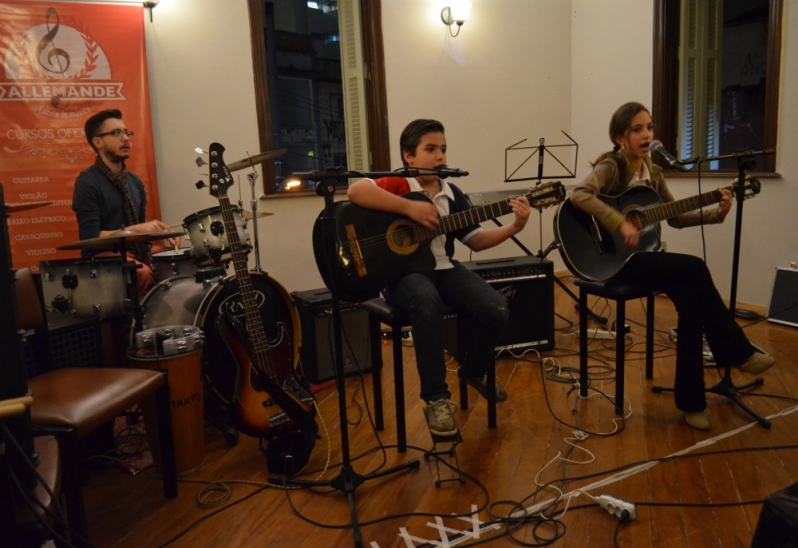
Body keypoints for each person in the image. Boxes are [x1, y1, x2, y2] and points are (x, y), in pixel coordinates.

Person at [570, 101, 775, 431]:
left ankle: (692, 403)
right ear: (621, 137)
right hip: (614, 260)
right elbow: (580, 195)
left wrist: (716, 212)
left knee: (692, 305)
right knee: (694, 266)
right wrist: (618, 222)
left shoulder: (655, 172)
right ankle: (738, 351)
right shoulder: (611, 166)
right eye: (637, 129)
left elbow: (676, 217)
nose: (646, 134)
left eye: (649, 127)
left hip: (643, 258)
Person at [347, 119, 532, 437]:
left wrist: (515, 226)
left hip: (445, 269)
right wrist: (409, 208)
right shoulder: (398, 184)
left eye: (443, 149)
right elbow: (355, 190)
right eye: (430, 149)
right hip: (403, 276)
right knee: (426, 300)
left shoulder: (452, 192)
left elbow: (475, 239)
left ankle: (473, 372)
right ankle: (436, 400)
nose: (439, 157)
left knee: (497, 307)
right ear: (409, 156)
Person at [72, 109, 178, 295]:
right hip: (103, 256)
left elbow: (140, 231)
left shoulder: (134, 181)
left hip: (136, 250)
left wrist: (160, 232)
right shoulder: (87, 182)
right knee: (142, 273)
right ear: (98, 142)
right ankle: (139, 323)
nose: (126, 138)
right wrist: (135, 230)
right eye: (116, 133)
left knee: (177, 261)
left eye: (127, 132)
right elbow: (90, 237)